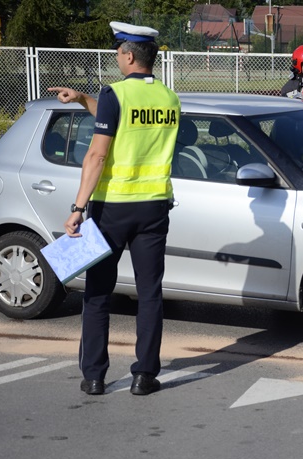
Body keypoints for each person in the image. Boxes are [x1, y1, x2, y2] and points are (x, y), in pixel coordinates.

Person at [48, 21, 181, 396]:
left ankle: (94, 376)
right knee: (150, 293)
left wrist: (78, 207)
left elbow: (98, 153)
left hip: (111, 209)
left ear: (127, 55)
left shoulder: (115, 93)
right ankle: (144, 375)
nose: (117, 58)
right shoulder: (170, 98)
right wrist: (83, 99)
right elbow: (127, 122)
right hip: (154, 207)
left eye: (118, 53)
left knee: (98, 294)